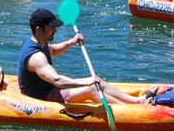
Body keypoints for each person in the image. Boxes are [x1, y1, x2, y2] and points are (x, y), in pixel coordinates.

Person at [17, 7, 153, 104]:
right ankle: (128, 111)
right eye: (51, 27)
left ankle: (136, 101)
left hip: (50, 88)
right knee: (92, 88)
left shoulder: (40, 42)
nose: (56, 30)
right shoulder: (36, 57)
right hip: (43, 96)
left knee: (96, 80)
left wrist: (71, 42)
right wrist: (86, 82)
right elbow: (57, 80)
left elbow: (52, 51)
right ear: (39, 30)